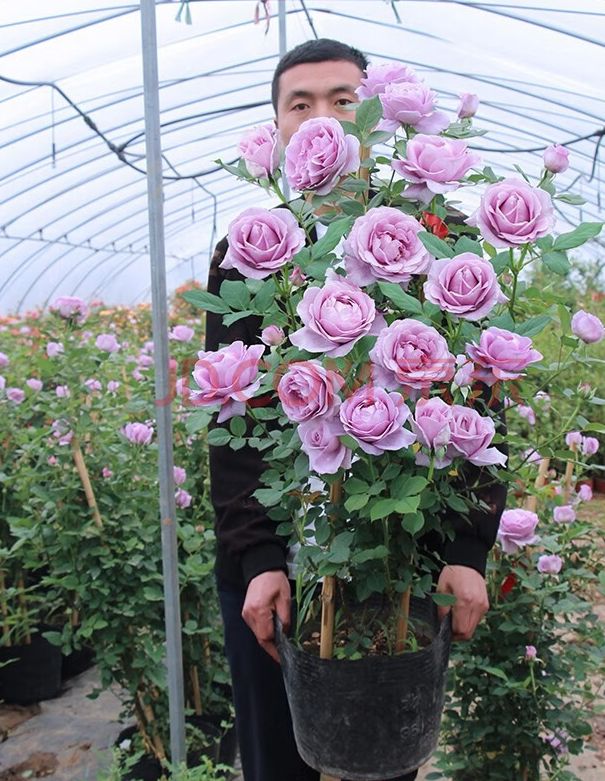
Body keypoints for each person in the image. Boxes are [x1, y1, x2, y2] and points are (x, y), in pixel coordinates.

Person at [204, 39, 507, 781]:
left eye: (343, 99)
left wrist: (467, 551)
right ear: (276, 133)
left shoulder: (442, 242)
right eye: (298, 104)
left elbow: (481, 401)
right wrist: (260, 559)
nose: (322, 117)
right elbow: (231, 420)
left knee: (382, 755)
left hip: (396, 547)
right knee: (277, 756)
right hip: (276, 556)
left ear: (374, 117)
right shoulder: (247, 253)